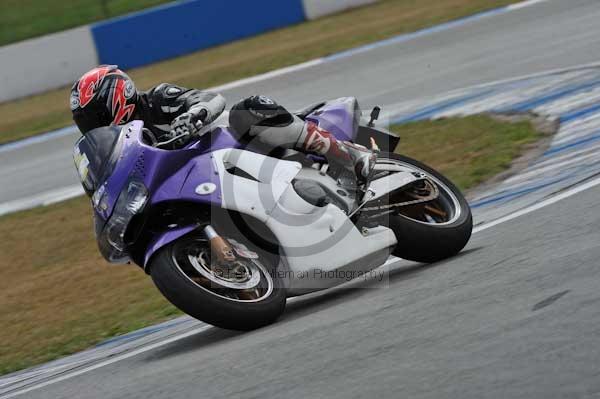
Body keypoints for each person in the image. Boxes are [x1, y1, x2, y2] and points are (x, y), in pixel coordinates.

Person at [70, 65, 376, 185]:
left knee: (247, 110)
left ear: (116, 97)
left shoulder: (158, 99)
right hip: (204, 176)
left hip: (231, 141)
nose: (94, 127)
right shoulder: (123, 146)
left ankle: (348, 155)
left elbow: (211, 98)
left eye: (95, 117)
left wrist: (195, 115)